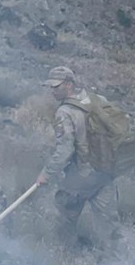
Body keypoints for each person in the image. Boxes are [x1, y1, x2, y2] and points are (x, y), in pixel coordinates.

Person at [35, 66, 123, 253]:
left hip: (82, 175)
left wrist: (46, 174)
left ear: (69, 84)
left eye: (56, 87)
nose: (52, 91)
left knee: (64, 213)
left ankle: (65, 256)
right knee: (109, 225)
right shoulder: (99, 100)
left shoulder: (65, 112)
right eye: (51, 87)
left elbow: (65, 149)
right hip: (106, 173)